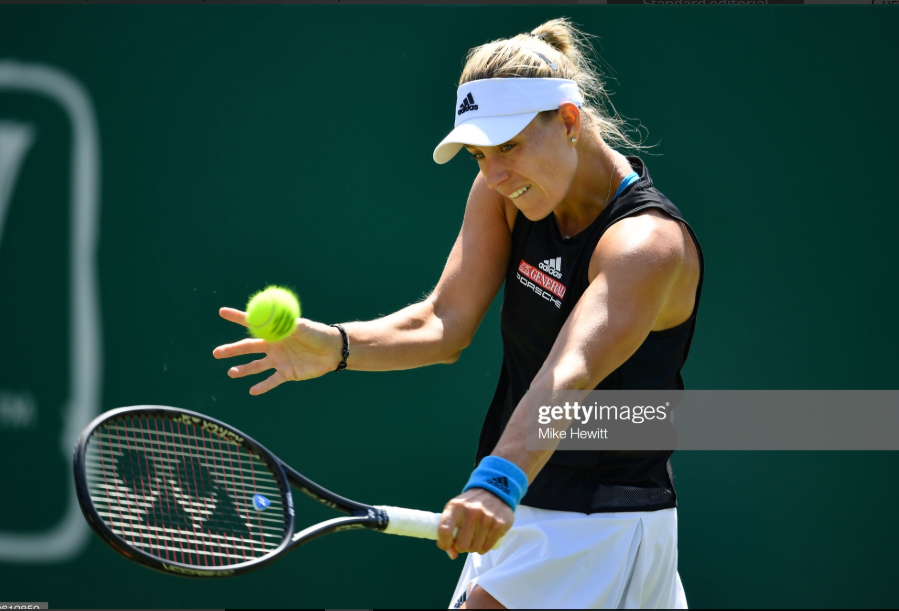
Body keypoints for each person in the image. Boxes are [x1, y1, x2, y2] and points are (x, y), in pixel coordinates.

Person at [214, 18, 702, 610]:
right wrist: (338, 346)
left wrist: (498, 478)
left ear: (569, 122)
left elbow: (567, 372)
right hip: (515, 505)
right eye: (477, 155)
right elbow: (442, 322)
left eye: (509, 147)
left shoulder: (646, 245)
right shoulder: (504, 196)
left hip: (598, 524)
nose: (494, 174)